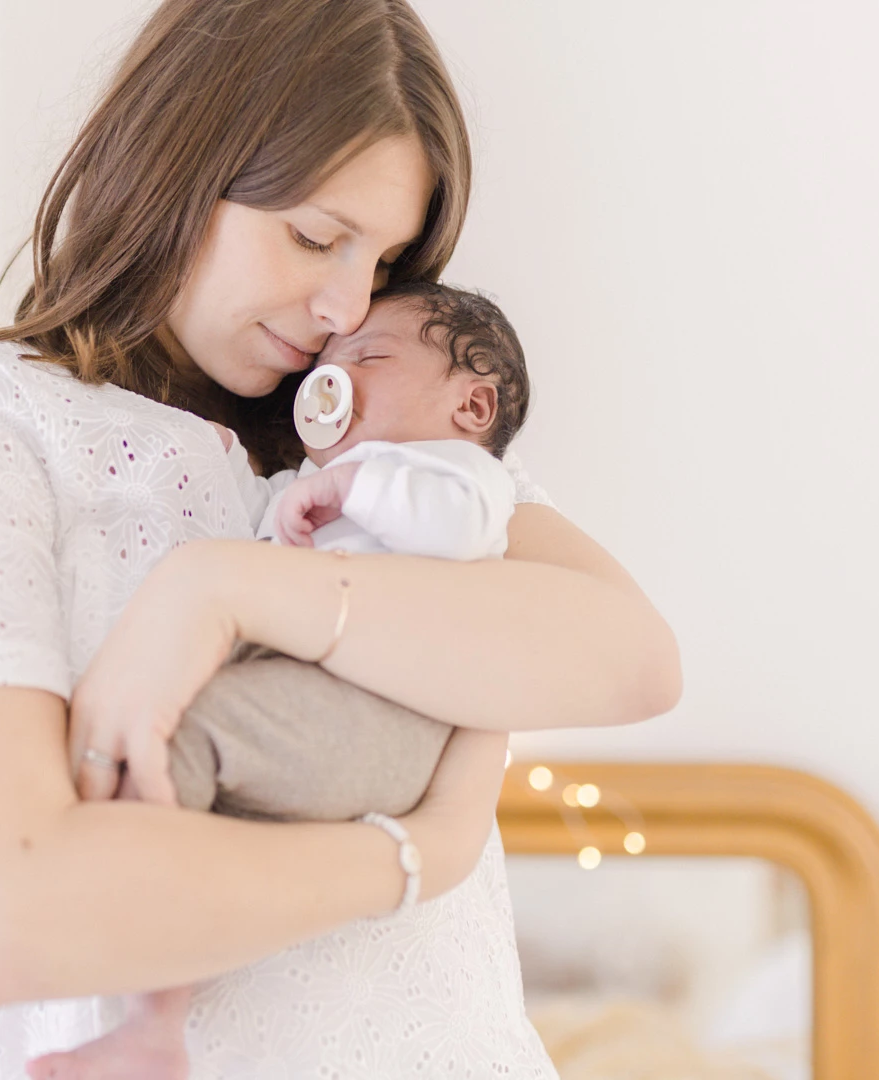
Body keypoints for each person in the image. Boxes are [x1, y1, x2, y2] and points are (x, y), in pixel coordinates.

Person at [0, 1, 682, 1077]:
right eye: (317, 237)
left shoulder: (374, 452)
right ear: (175, 167)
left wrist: (223, 589)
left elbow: (636, 658)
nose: (344, 306)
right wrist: (414, 855)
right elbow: (1, 917)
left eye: (380, 265)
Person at [35, 280, 542, 1078]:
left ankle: (151, 1026)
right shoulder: (327, 483)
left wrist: (352, 485)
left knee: (171, 738)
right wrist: (234, 475)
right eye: (328, 366)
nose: (333, 382)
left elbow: (454, 522)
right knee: (182, 784)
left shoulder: (459, 480)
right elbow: (267, 532)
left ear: (471, 409)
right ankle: (154, 1008)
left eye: (370, 358)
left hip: (385, 716)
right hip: (313, 704)